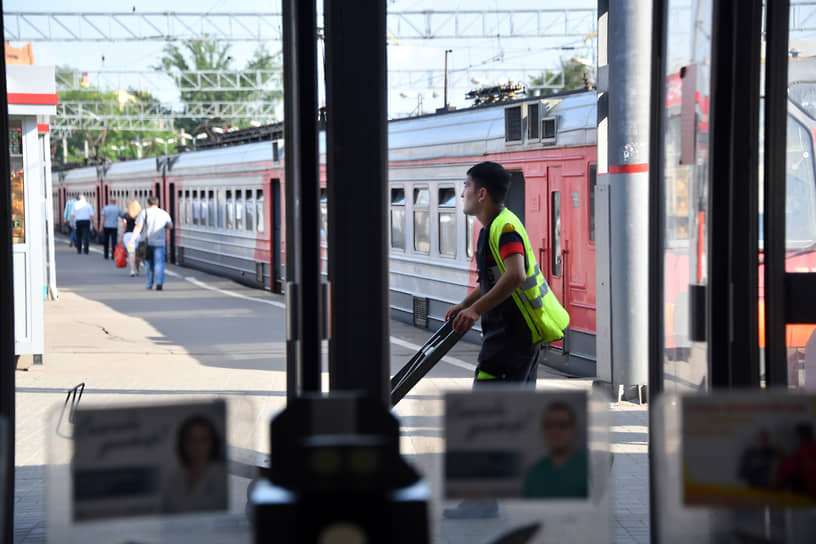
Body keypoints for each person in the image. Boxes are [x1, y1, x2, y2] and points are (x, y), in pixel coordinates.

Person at [443, 161, 570, 519]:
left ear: (481, 193)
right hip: (511, 339)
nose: (463, 193)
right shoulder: (491, 230)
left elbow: (513, 276)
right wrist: (463, 305)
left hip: (511, 340)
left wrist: (476, 311)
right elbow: (493, 280)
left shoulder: (506, 227)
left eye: (466, 187)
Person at [162, 415, 227, 514]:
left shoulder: (224, 478)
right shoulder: (173, 479)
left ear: (213, 443)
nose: (197, 446)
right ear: (184, 444)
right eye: (192, 439)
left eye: (203, 440)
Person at [522, 402, 588, 499]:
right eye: (549, 425)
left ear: (574, 429)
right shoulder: (534, 473)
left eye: (562, 425)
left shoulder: (588, 468)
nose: (555, 431)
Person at [131, 196, 173, 290]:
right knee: (159, 263)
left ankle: (149, 284)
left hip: (147, 242)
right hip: (160, 242)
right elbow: (170, 226)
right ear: (157, 204)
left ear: (148, 203)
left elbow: (138, 227)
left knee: (148, 263)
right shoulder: (164, 213)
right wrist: (163, 227)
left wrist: (132, 239)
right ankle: (159, 282)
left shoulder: (144, 212)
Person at [775, 423, 816, 499]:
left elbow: (788, 469)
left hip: (808, 496)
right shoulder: (803, 450)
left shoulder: (802, 451)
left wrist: (778, 486)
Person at [122, 199, 142, 277]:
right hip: (138, 236)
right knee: (137, 254)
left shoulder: (126, 215)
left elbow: (124, 226)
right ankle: (137, 269)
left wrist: (121, 238)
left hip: (128, 237)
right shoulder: (140, 215)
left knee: (131, 252)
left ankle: (132, 270)